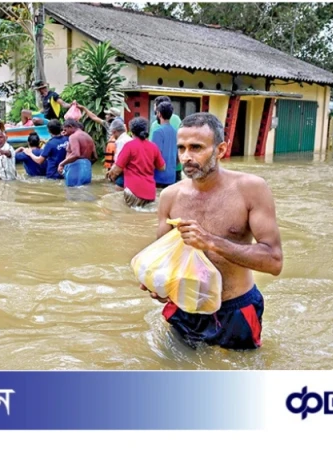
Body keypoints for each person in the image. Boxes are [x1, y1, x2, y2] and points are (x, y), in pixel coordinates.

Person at [143, 112, 283, 351]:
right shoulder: (169, 197)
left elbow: (274, 262)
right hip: (183, 307)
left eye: (196, 147)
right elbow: (165, 259)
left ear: (220, 150)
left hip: (235, 309)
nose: (186, 157)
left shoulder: (251, 189)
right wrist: (157, 284)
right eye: (181, 148)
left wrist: (210, 241)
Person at [107, 117, 165, 208]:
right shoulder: (153, 147)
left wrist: (109, 174)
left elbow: (116, 170)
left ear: (131, 131)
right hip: (150, 193)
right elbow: (162, 167)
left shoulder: (129, 146)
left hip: (133, 192)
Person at [151, 96, 183, 180]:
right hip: (175, 169)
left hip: (160, 172)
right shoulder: (178, 120)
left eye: (155, 107)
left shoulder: (156, 125)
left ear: (159, 111)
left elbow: (154, 151)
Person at [58, 119, 97, 186]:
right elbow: (95, 157)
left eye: (65, 129)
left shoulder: (73, 136)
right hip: (87, 169)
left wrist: (61, 164)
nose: (64, 132)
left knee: (72, 193)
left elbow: (76, 154)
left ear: (70, 127)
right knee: (84, 193)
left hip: (75, 169)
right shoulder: (89, 137)